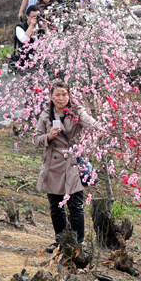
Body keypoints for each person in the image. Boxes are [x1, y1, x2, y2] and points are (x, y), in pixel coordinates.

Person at [33, 81, 97, 253]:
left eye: (64, 94)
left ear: (69, 96)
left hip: (73, 162)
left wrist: (103, 127)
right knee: (56, 206)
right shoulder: (46, 115)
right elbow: (36, 139)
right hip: (53, 164)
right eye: (57, 95)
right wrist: (49, 136)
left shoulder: (77, 112)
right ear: (51, 97)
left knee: (75, 205)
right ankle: (60, 241)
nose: (61, 98)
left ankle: (78, 243)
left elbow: (91, 123)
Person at [12, 5, 47, 71]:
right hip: (25, 62)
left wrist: (45, 27)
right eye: (33, 16)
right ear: (27, 16)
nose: (36, 18)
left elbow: (49, 40)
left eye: (37, 16)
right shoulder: (20, 27)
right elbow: (24, 40)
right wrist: (31, 25)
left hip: (41, 61)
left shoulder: (40, 27)